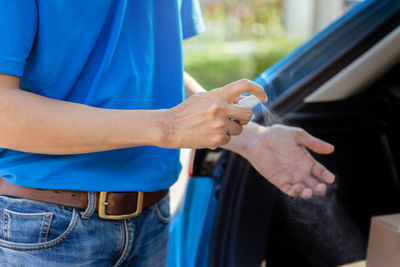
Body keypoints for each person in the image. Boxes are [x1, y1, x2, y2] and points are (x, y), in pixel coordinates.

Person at [0, 1, 335, 266]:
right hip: (47, 228)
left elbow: (147, 68)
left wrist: (251, 138)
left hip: (152, 218)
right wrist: (167, 127)